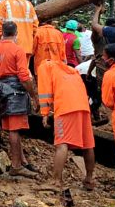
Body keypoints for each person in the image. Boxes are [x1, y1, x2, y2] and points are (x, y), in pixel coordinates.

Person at [0, 21, 39, 178]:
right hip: (15, 90)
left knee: (12, 128)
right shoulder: (18, 50)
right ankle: (16, 166)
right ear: (16, 33)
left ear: (2, 33)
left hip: (1, 89)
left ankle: (21, 161)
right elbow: (24, 76)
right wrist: (34, 96)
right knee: (14, 129)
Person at [38, 59, 95, 190]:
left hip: (65, 107)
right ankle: (89, 180)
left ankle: (55, 182)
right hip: (83, 107)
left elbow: (45, 91)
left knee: (61, 143)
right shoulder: (71, 70)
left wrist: (45, 113)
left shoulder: (45, 67)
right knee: (88, 144)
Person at [0, 0, 39, 65]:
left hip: (8, 48)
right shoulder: (29, 5)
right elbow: (35, 27)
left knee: (10, 73)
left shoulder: (4, 4)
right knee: (23, 73)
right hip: (26, 47)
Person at [101, 43, 115, 150]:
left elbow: (108, 102)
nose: (102, 58)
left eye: (104, 56)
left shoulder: (110, 75)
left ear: (111, 60)